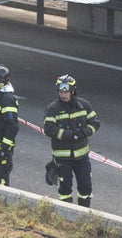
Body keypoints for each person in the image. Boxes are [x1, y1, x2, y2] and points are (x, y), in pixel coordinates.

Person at [44, 74, 101, 207]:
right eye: (61, 91)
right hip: (62, 157)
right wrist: (69, 135)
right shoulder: (52, 109)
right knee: (65, 189)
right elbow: (49, 129)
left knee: (86, 187)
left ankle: (83, 215)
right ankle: (66, 218)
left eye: (66, 91)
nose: (63, 94)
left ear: (73, 91)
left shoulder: (84, 105)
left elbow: (95, 123)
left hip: (81, 156)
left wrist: (82, 133)